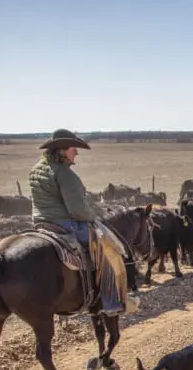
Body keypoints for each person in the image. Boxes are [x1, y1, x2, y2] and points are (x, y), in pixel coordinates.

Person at [28, 129, 135, 315]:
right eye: (73, 149)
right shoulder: (64, 174)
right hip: (66, 223)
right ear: (61, 150)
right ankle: (112, 302)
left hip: (41, 223)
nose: (76, 152)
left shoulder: (36, 169)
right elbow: (77, 210)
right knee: (109, 248)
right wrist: (94, 216)